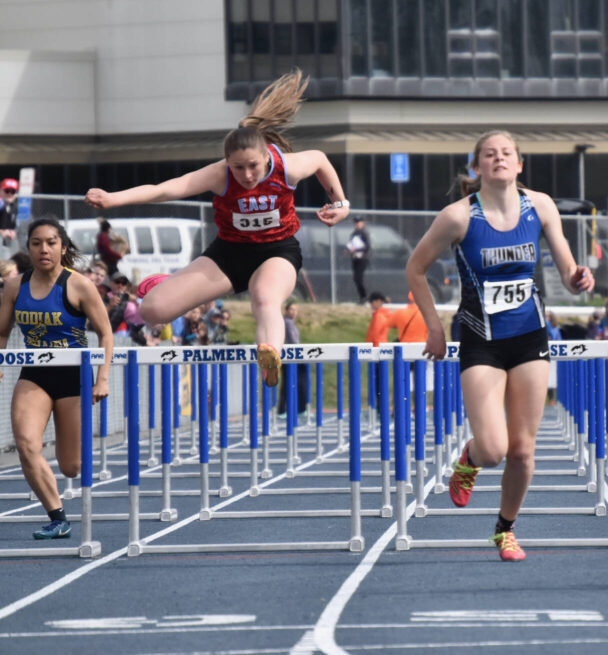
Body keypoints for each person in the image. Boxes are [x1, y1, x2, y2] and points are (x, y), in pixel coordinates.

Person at [84, 69, 350, 387]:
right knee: (153, 311)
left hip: (277, 251)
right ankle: (171, 283)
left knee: (265, 298)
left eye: (253, 166)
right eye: (239, 168)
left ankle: (270, 355)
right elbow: (165, 188)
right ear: (227, 162)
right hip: (229, 254)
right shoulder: (218, 174)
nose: (248, 175)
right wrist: (113, 199)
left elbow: (320, 159)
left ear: (266, 156)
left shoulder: (286, 167)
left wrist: (340, 203)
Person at [405, 129, 593, 561]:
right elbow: (415, 269)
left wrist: (579, 278)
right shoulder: (458, 217)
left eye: (507, 153)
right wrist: (434, 327)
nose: (499, 159)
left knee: (523, 451)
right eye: (490, 154)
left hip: (529, 336)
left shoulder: (540, 206)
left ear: (520, 164)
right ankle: (469, 458)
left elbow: (566, 268)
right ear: (478, 167)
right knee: (494, 449)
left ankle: (505, 530)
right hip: (480, 339)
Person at [0, 217, 113, 540]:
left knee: (71, 466)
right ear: (29, 248)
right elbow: (1, 331)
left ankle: (60, 482)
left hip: (73, 376)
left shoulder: (78, 284)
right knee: (26, 445)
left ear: (63, 247)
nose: (43, 249)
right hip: (34, 374)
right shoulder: (14, 286)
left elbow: (106, 334)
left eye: (50, 243)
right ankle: (57, 516)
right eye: (36, 243)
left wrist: (102, 378)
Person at [277, 301, 308, 418]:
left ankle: (289, 409)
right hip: (291, 357)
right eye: (292, 309)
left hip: (293, 356)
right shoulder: (287, 323)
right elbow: (294, 341)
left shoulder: (291, 323)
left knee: (292, 384)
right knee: (293, 384)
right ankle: (289, 409)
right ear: (286, 311)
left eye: (296, 310)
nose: (294, 312)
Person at [347, 216, 371, 303]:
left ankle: (364, 297)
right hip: (355, 258)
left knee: (359, 278)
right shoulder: (354, 234)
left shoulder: (364, 233)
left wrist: (357, 249)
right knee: (356, 279)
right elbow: (350, 244)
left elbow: (367, 247)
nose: (357, 224)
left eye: (359, 222)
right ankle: (362, 297)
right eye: (355, 222)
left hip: (362, 258)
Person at [0, 178, 18, 242]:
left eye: (13, 191)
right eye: (7, 191)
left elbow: (13, 225)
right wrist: (1, 231)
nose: (10, 194)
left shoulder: (13, 207)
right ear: (0, 191)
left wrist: (12, 231)